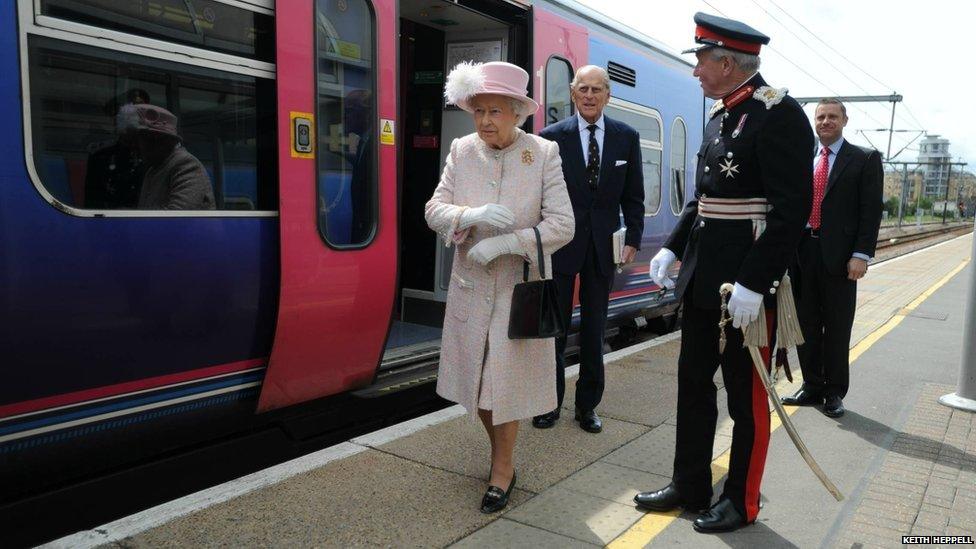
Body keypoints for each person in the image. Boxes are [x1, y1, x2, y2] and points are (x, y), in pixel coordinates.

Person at [636, 13, 813, 533]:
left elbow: (791, 210)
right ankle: (689, 484)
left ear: (728, 62)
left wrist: (757, 282)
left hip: (747, 286)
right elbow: (704, 199)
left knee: (746, 397)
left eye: (701, 61)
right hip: (704, 277)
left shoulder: (779, 115)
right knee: (692, 383)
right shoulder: (719, 117)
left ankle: (742, 499)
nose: (695, 72)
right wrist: (672, 246)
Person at [425, 61, 574, 513]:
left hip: (517, 289)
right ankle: (500, 456)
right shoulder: (462, 150)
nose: (485, 121)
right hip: (471, 287)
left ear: (517, 113)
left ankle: (503, 469)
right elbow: (434, 209)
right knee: (478, 385)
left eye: (495, 111)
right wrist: (468, 216)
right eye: (479, 111)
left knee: (502, 385)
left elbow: (563, 224)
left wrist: (510, 242)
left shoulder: (543, 153)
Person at [532, 65, 644, 433]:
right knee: (555, 330)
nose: (590, 96)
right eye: (584, 89)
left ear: (608, 95)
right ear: (574, 93)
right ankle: (548, 403)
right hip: (560, 245)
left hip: (602, 247)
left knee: (595, 329)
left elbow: (634, 197)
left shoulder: (627, 137)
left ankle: (587, 407)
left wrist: (632, 240)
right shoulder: (550, 138)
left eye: (598, 89)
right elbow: (539, 196)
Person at [781, 99, 883, 418]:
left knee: (837, 327)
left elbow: (870, 212)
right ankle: (811, 386)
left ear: (844, 120)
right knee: (806, 324)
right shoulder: (803, 158)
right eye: (821, 116)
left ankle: (834, 391)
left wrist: (861, 254)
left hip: (841, 259)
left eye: (832, 116)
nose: (826, 121)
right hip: (802, 253)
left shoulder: (864, 159)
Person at [117, 103, 216, 210]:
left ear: (157, 140)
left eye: (136, 141)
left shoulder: (185, 165)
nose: (133, 147)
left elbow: (176, 218)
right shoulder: (153, 169)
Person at [84, 88, 151, 209]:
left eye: (142, 112)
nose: (137, 117)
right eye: (131, 112)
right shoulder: (101, 155)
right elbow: (92, 201)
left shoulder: (153, 154)